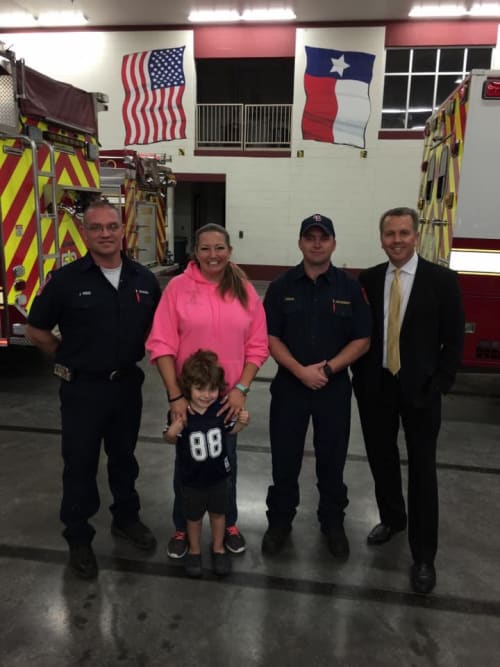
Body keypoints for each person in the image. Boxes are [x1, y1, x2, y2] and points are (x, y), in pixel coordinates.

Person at [25, 200, 161, 580]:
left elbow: (161, 331)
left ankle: (126, 520)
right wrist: (64, 359)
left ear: (123, 230)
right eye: (96, 227)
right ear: (85, 233)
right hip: (82, 390)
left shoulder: (144, 280)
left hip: (127, 387)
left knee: (124, 459)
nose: (105, 233)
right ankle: (79, 536)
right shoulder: (66, 280)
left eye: (111, 226)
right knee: (80, 465)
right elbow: (36, 330)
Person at [351, 206, 464, 594]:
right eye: (389, 234)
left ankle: (424, 556)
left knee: (422, 471)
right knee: (382, 460)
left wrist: (440, 384)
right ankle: (392, 519)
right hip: (376, 388)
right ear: (381, 239)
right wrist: (359, 378)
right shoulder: (367, 280)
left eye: (403, 233)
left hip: (421, 392)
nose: (396, 240)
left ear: (415, 236)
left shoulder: (442, 281)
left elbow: (454, 340)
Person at [146, 222, 268, 558]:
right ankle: (182, 528)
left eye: (219, 248)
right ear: (195, 253)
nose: (212, 255)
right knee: (187, 467)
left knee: (226, 464)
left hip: (226, 400)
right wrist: (175, 396)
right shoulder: (178, 289)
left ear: (230, 251)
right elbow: (161, 344)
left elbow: (257, 345)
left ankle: (227, 523)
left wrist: (241, 388)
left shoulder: (244, 290)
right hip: (189, 400)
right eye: (205, 249)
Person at [262, 214, 371, 558]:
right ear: (300, 243)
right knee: (284, 460)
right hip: (290, 389)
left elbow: (363, 339)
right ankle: (280, 522)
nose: (316, 243)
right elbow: (271, 336)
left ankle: (333, 523)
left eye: (323, 237)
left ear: (334, 243)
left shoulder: (349, 287)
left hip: (333, 390)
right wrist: (299, 371)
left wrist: (326, 369)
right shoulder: (282, 286)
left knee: (332, 461)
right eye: (309, 237)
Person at [164, 350, 250, 578]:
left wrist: (242, 423)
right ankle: (194, 550)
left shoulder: (221, 410)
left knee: (218, 514)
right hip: (191, 479)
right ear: (187, 388)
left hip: (219, 477)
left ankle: (218, 548)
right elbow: (170, 438)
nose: (206, 395)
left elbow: (231, 431)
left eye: (212, 389)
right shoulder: (183, 413)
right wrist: (173, 432)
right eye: (200, 389)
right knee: (192, 517)